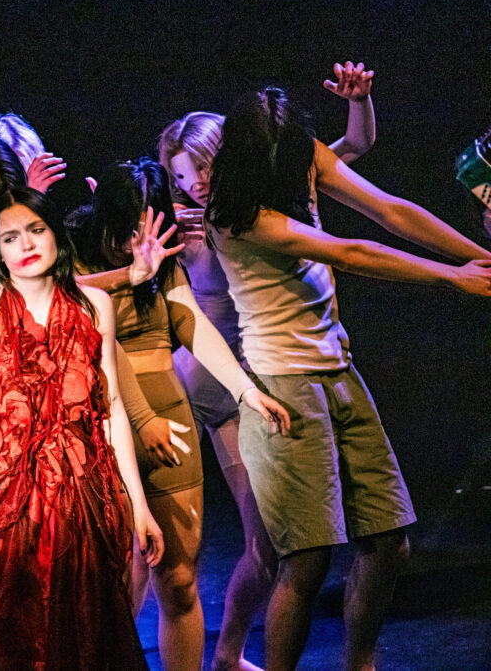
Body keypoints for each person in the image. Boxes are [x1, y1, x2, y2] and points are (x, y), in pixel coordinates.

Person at [205, 86, 491, 671]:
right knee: (306, 561)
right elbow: (350, 250)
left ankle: (361, 664)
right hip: (284, 387)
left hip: (339, 372)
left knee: (388, 544)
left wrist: (478, 258)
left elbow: (389, 210)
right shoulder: (235, 215)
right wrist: (452, 277)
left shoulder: (301, 155)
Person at [156, 60, 377, 671]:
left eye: (202, 168)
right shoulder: (190, 228)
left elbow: (353, 147)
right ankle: (223, 653)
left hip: (262, 371)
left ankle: (228, 654)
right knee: (260, 542)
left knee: (274, 546)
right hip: (216, 383)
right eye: (181, 177)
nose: (195, 185)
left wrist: (358, 102)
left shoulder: (262, 195)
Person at [0, 185, 165, 669]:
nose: (26, 244)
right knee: (6, 642)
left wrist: (138, 504)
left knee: (83, 642)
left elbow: (111, 407)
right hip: (1, 507)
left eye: (36, 229)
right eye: (9, 237)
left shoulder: (94, 305)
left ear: (55, 232)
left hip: (83, 500)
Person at [68, 158, 289, 671]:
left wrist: (243, 389)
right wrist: (128, 275)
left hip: (170, 420)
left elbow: (191, 324)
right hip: (101, 426)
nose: (135, 241)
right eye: (125, 228)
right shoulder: (73, 252)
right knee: (110, 583)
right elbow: (62, 302)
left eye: (146, 227)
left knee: (181, 579)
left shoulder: (164, 259)